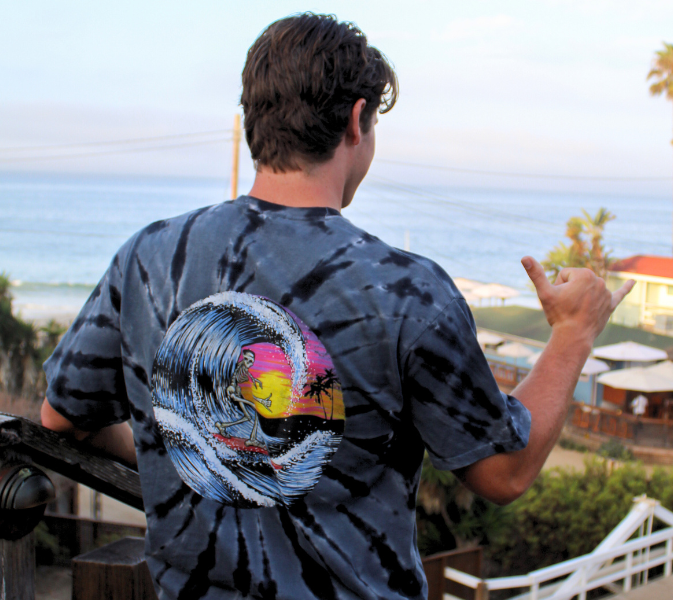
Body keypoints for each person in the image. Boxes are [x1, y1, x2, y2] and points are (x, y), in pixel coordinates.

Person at [37, 13, 632, 598]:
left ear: (254, 119)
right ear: (357, 122)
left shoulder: (149, 256)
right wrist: (574, 332)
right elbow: (503, 471)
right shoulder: (406, 291)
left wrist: (198, 452)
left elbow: (63, 419)